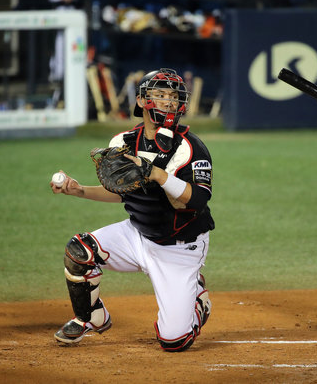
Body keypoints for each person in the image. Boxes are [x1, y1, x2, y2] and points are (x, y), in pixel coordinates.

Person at [50, 68, 214, 351]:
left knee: (174, 342)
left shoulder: (190, 146)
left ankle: (197, 300)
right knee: (80, 251)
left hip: (179, 247)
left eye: (173, 97)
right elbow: (122, 193)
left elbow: (198, 200)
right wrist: (79, 190)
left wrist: (157, 174)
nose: (168, 102)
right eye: (159, 95)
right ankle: (90, 317)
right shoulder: (123, 143)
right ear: (141, 101)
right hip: (137, 235)